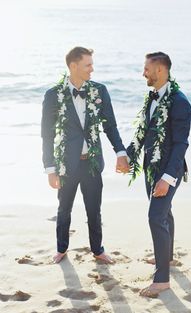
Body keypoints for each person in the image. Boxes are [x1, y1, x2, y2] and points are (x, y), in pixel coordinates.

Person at [41, 46, 129, 264]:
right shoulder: (54, 95)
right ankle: (61, 249)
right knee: (64, 209)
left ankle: (98, 250)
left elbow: (111, 126)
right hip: (66, 164)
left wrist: (120, 152)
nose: (92, 69)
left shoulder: (100, 91)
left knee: (94, 210)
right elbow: (47, 134)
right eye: (88, 65)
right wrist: (50, 169)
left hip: (91, 163)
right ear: (73, 66)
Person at [126, 52, 191, 297]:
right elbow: (143, 131)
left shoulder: (180, 102)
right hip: (150, 167)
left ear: (160, 71)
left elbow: (180, 145)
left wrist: (166, 179)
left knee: (156, 217)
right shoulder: (151, 97)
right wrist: (129, 156)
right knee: (165, 213)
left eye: (147, 69)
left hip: (169, 171)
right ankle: (168, 258)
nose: (143, 73)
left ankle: (162, 278)